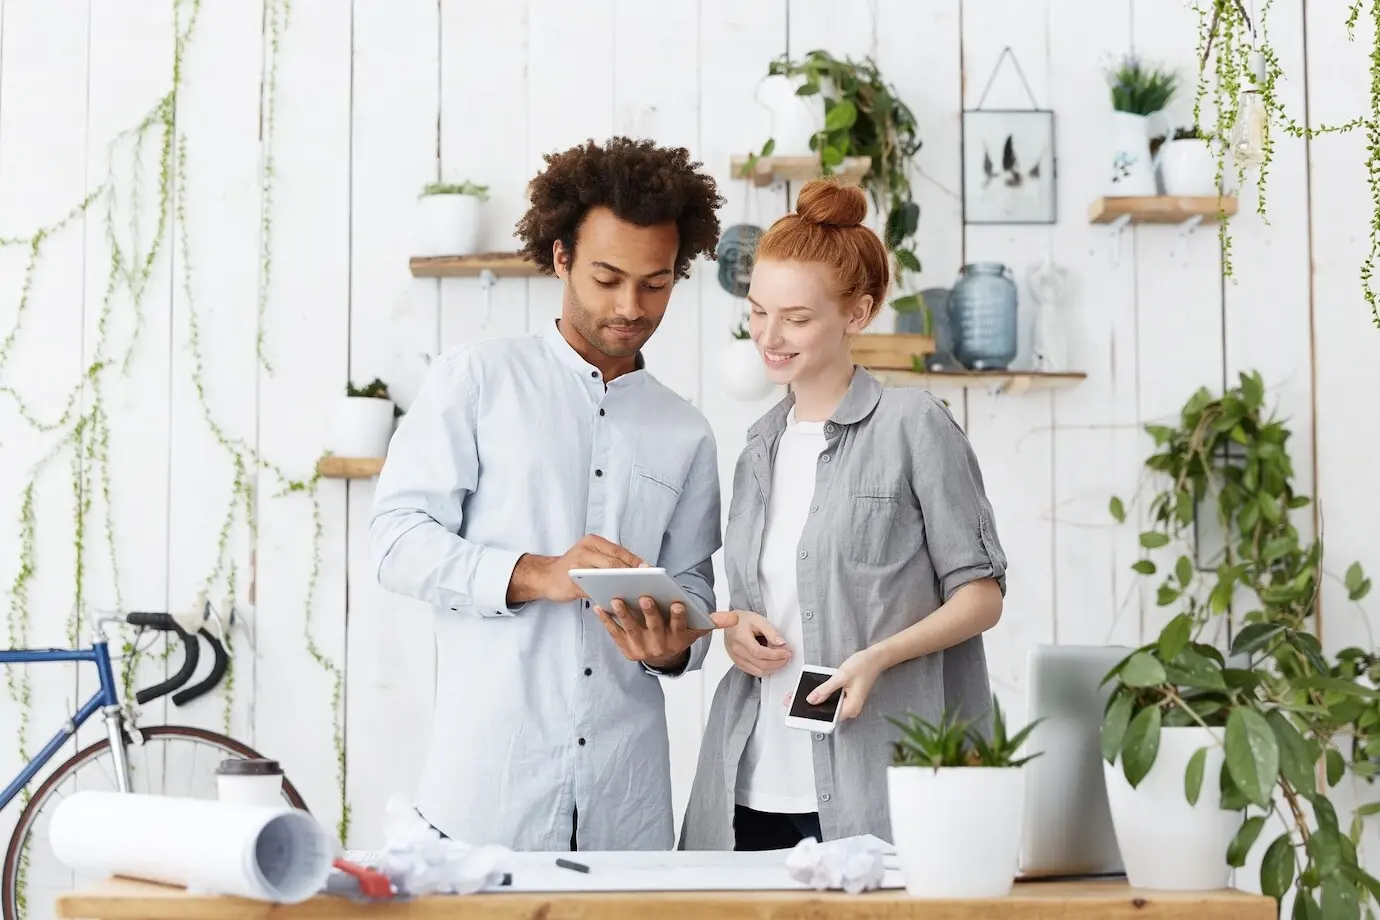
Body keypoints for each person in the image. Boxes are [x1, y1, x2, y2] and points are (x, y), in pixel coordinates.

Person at [370, 136, 737, 852]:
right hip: (489, 796)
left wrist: (670, 646)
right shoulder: (476, 381)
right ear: (561, 257)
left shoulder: (686, 431)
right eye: (607, 277)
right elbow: (395, 541)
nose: (632, 305)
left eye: (655, 282)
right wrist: (538, 573)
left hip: (625, 810)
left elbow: (693, 590)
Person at [679, 178, 1008, 851]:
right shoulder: (757, 450)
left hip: (872, 780)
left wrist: (876, 658)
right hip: (749, 774)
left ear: (856, 314)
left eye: (796, 318)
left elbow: (980, 597)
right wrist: (737, 632)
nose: (770, 336)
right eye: (757, 311)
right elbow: (764, 602)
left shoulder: (914, 427)